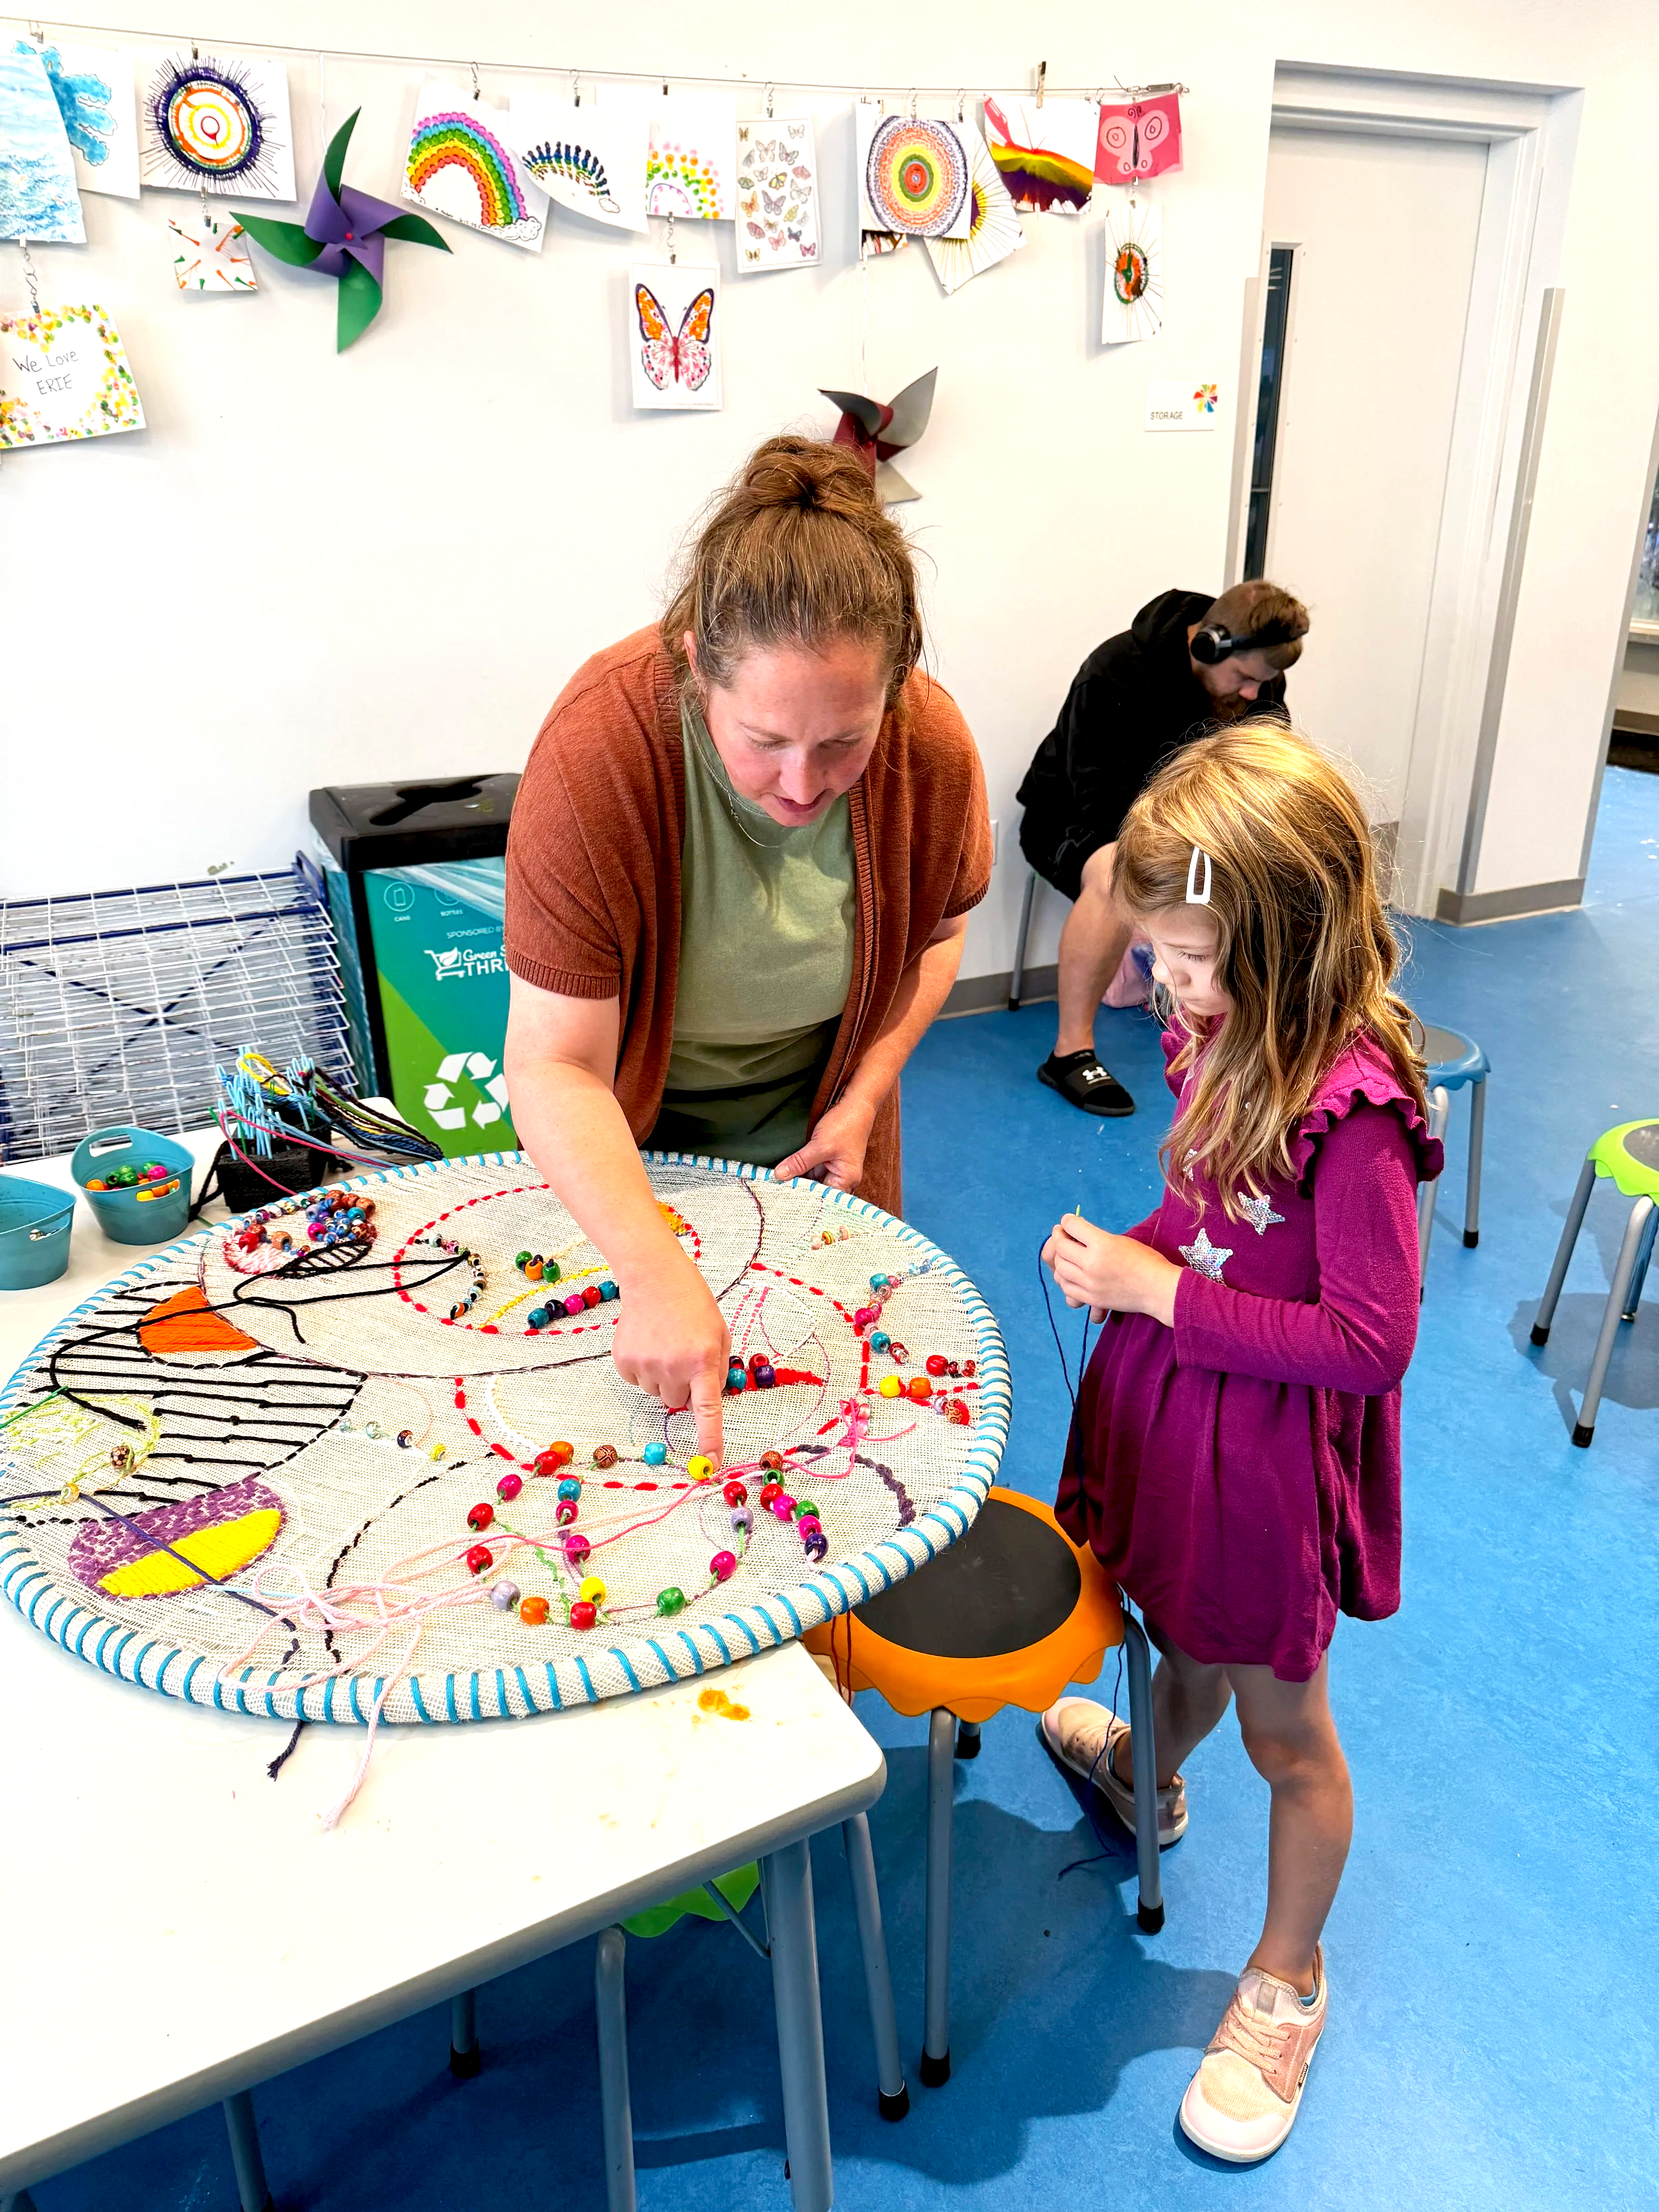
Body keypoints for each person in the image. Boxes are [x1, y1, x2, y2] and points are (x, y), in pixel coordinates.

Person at [1036, 723, 1439, 2164]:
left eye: (1185, 960)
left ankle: (1282, 1975)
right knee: (1175, 1629)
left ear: (1290, 932)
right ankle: (1149, 1769)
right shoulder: (1214, 1023)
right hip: (1186, 1411)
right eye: (1153, 957)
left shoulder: (1359, 1110)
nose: (1161, 987)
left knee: (1286, 1727)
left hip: (1267, 1451)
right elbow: (1205, 1210)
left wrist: (1164, 1293)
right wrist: (1127, 1251)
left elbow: (1366, 1342)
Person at [502, 437, 991, 1470]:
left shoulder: (933, 749)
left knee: (820, 1433)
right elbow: (555, 1064)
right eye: (764, 741)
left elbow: (940, 937)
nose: (805, 785)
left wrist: (863, 1097)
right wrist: (648, 1259)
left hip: (820, 1139)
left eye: (845, 742)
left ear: (896, 689)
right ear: (694, 665)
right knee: (628, 1457)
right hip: (629, 1148)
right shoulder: (603, 750)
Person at [1017, 580, 1309, 1116]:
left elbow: (1267, 771)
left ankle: (1246, 1042)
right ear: (1207, 646)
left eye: (1263, 683)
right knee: (1114, 873)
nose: (1252, 694)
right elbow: (1102, 804)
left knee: (1268, 866)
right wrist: (1188, 859)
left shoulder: (1258, 686)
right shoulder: (1116, 670)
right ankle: (1069, 1053)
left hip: (1185, 828)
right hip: (1072, 821)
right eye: (1243, 678)